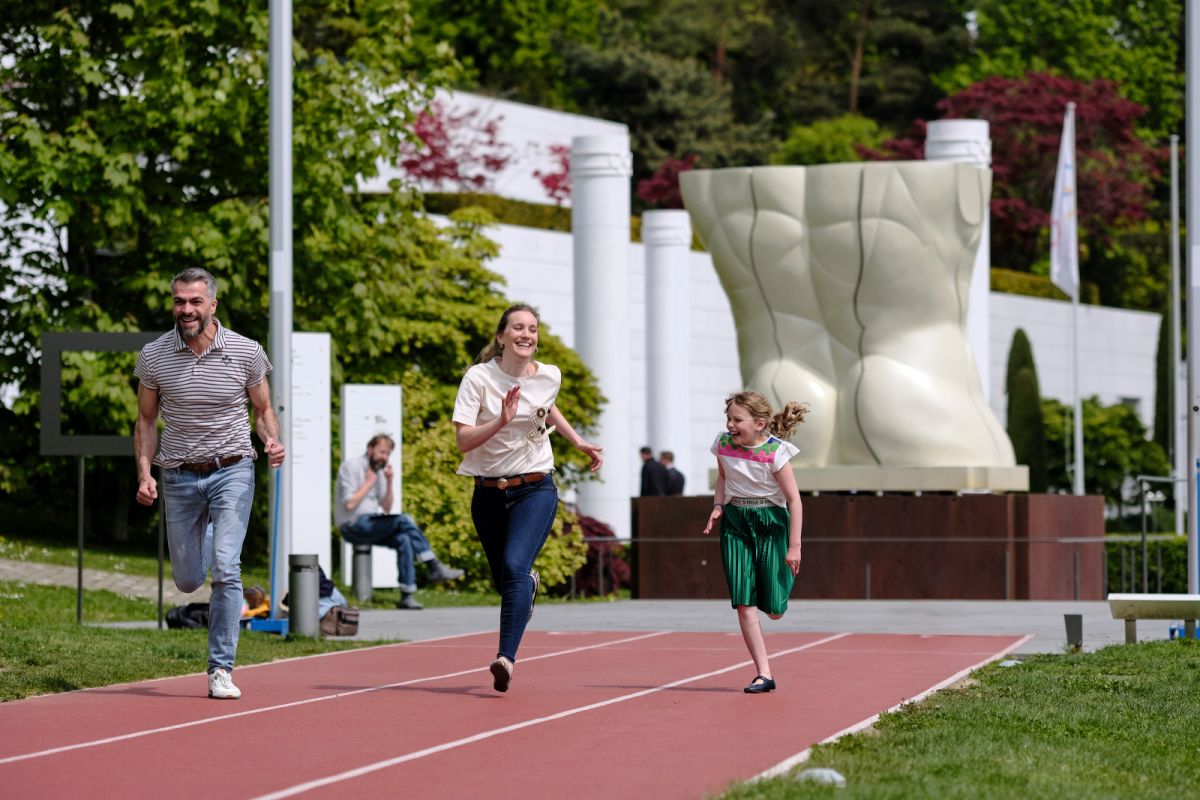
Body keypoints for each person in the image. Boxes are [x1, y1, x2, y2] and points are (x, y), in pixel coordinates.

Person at [134, 267, 286, 700]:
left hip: (232, 467)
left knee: (226, 566)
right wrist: (145, 474)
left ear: (212, 305)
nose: (187, 309)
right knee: (185, 580)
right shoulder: (155, 355)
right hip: (179, 474)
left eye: (195, 301)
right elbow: (146, 420)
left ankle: (221, 668)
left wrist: (272, 441)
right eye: (180, 301)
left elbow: (262, 410)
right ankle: (216, 536)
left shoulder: (245, 351)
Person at [453, 303, 603, 693]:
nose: (526, 335)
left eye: (532, 329)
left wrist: (578, 441)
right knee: (506, 579)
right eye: (517, 328)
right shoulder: (478, 378)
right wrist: (500, 421)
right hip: (487, 491)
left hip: (535, 486)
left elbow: (547, 406)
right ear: (501, 336)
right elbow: (462, 440)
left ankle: (506, 658)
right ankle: (526, 589)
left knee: (515, 566)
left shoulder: (550, 375)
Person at [702, 391, 806, 694]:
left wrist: (794, 547)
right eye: (728, 419)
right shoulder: (721, 444)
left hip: (771, 522)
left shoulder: (776, 452)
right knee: (743, 601)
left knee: (774, 609)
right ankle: (764, 673)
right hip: (736, 522)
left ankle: (776, 593)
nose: (730, 425)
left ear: (760, 423)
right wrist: (718, 506)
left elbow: (794, 500)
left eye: (737, 420)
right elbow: (723, 478)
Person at [335, 434, 465, 609]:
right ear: (370, 449)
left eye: (387, 454)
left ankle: (407, 595)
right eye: (382, 452)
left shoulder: (380, 472)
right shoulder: (351, 466)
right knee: (404, 519)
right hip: (351, 525)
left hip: (372, 525)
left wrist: (389, 482)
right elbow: (349, 504)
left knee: (404, 538)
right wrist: (368, 482)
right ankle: (433, 565)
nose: (384, 457)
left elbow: (387, 507)